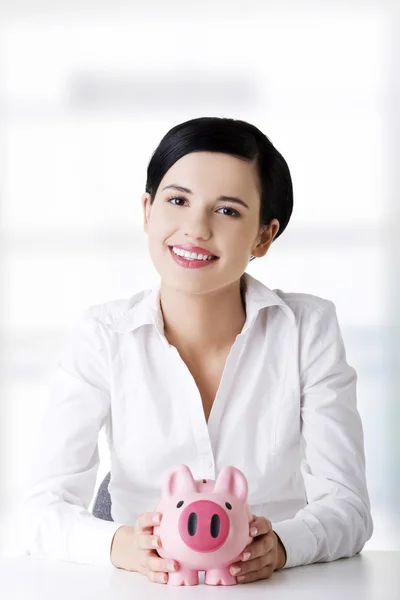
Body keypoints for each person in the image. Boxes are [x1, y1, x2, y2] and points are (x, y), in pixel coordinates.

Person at [20, 116, 373, 585]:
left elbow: (348, 505)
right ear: (147, 211)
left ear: (263, 237)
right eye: (177, 201)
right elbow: (40, 509)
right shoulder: (104, 334)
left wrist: (284, 546)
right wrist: (120, 545)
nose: (195, 229)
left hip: (275, 588)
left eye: (227, 211)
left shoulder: (307, 329)